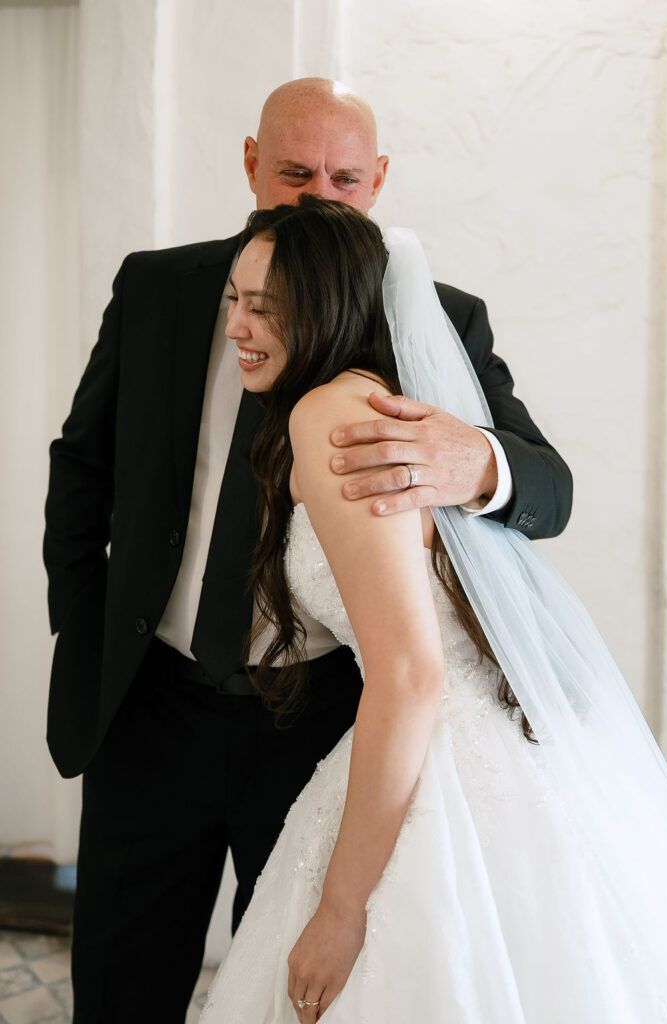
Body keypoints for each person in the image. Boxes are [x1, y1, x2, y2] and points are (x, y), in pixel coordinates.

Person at [43, 79, 571, 1022]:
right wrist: (84, 641)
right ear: (250, 163)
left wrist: (476, 457)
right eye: (293, 173)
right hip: (149, 703)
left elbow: (552, 486)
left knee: (287, 991)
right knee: (120, 987)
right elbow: (79, 471)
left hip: (317, 719)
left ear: (377, 184)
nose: (318, 198)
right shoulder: (160, 286)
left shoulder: (434, 317)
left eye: (345, 178)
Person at [198, 197, 667, 1023]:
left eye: (263, 306)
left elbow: (411, 673)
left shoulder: (331, 417)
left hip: (439, 754)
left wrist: (344, 912)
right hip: (500, 746)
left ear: (321, 305)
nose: (237, 326)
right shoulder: (381, 397)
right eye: (232, 301)